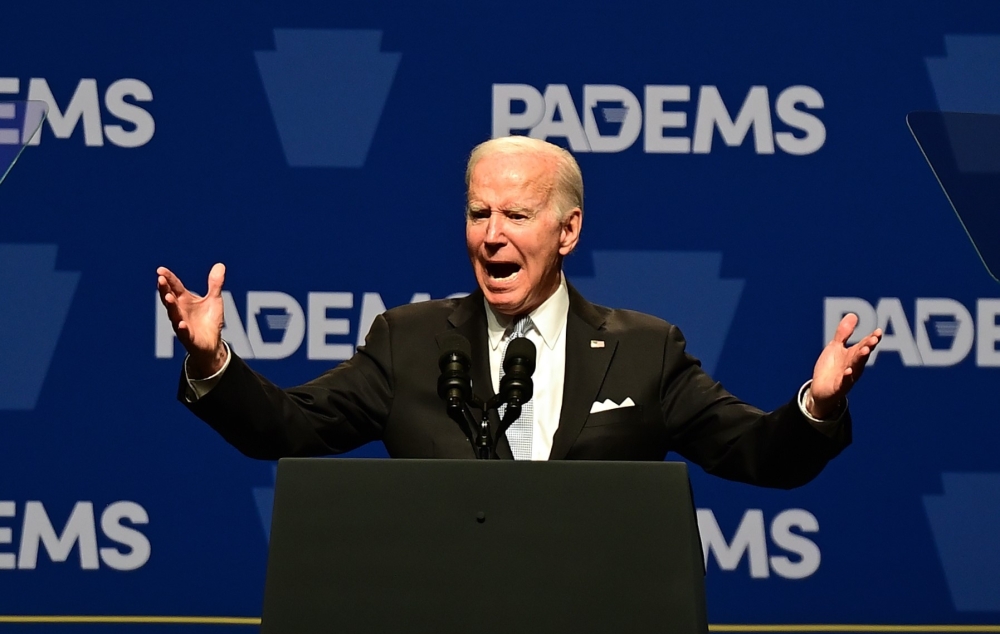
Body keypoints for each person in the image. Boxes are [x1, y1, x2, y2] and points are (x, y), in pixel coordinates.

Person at [157, 136, 881, 487]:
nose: (491, 234)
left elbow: (757, 452)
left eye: (516, 214)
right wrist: (211, 362)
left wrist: (815, 405)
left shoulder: (645, 350)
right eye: (478, 213)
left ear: (567, 231)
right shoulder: (406, 342)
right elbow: (287, 427)